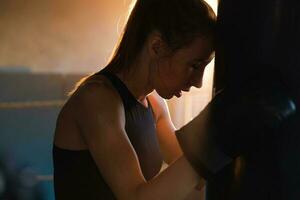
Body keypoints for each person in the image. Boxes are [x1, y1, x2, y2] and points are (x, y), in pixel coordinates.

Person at [53, 0, 217, 199]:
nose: (198, 82)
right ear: (156, 47)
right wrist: (218, 136)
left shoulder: (155, 104)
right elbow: (135, 197)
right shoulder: (97, 100)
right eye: (194, 65)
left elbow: (196, 178)